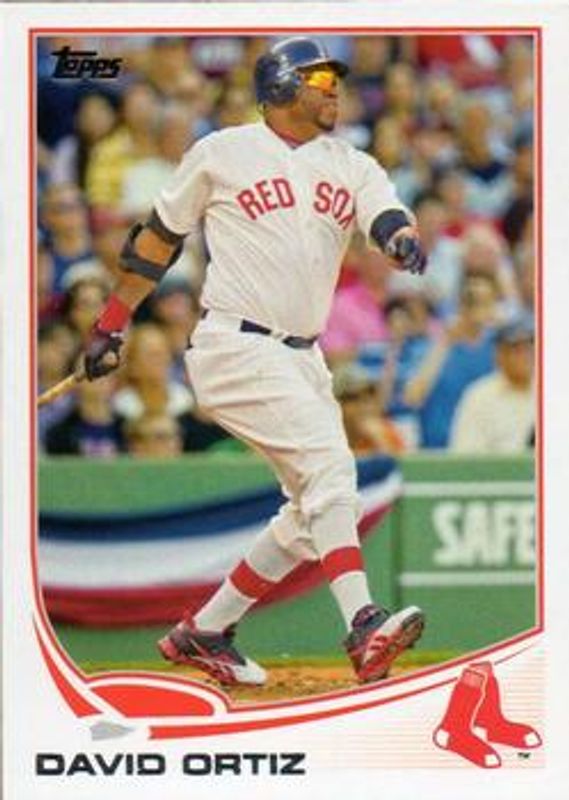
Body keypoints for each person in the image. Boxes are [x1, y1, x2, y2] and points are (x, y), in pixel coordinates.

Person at [79, 37, 427, 687]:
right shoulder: (222, 151)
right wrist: (111, 322)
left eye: (333, 78)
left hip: (303, 357)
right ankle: (362, 623)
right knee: (330, 472)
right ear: (280, 85)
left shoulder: (351, 162)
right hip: (235, 344)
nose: (332, 86)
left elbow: (385, 213)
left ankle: (206, 630)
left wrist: (398, 236)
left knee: (307, 512)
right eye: (317, 77)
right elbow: (156, 240)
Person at [450, 318, 534, 452]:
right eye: (516, 350)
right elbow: (465, 455)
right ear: (499, 355)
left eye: (530, 348)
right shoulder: (479, 396)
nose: (525, 356)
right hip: (497, 465)